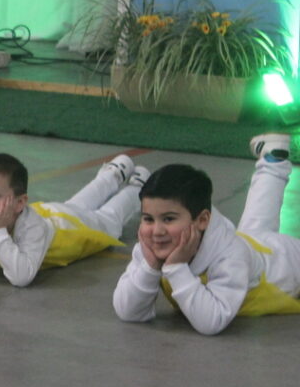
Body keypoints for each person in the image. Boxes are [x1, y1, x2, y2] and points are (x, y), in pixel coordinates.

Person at [113, 134, 300, 335]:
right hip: (252, 245)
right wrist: (150, 267)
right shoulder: (152, 245)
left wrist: (176, 267)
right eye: (148, 219)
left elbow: (212, 320)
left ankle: (273, 162)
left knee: (255, 231)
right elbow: (128, 311)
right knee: (255, 227)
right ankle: (274, 157)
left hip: (286, 261)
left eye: (168, 219)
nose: (157, 231)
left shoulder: (231, 257)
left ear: (202, 220)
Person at [0, 152, 149, 286]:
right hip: (51, 213)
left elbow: (21, 277)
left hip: (71, 229)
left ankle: (136, 190)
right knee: (77, 204)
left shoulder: (31, 227)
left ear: (19, 203)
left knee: (109, 221)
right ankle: (113, 174)